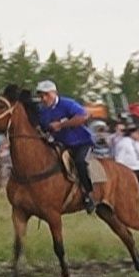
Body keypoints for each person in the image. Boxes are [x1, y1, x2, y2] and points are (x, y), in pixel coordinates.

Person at [35, 80, 96, 213]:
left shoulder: (67, 104)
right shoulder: (42, 111)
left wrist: (61, 125)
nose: (43, 99)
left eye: (46, 95)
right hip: (62, 144)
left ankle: (88, 194)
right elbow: (43, 128)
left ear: (54, 93)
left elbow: (83, 116)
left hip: (82, 142)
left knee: (80, 162)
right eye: (41, 96)